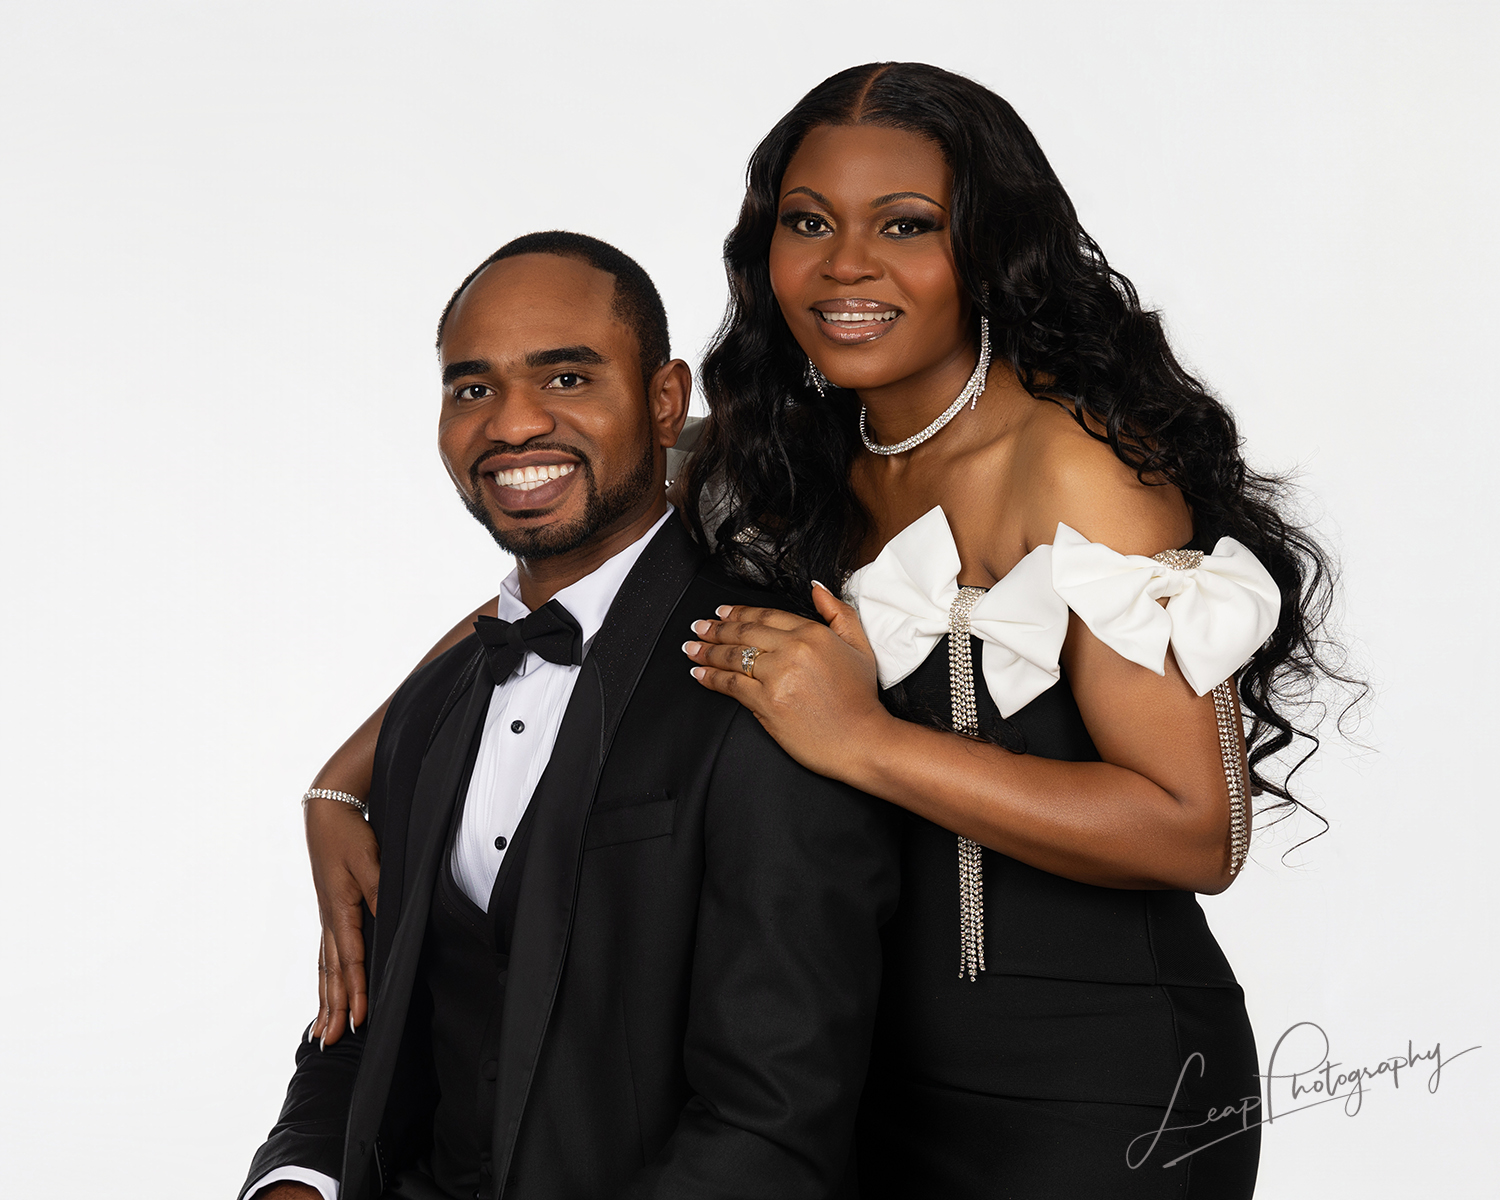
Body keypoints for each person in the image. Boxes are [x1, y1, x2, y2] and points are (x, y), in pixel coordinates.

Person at [302, 65, 1351, 1197]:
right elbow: (547, 608)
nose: (846, 266)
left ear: (987, 248)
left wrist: (865, 741)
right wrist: (343, 786)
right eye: (808, 224)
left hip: (1090, 1090)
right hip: (857, 1083)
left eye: (905, 225)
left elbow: (1200, 832)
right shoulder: (778, 454)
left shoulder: (1076, 468)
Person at [241, 230, 899, 1200]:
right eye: (473, 389)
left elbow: (777, 1118)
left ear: (666, 399)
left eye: (565, 378)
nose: (511, 426)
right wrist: (292, 1183)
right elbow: (365, 1035)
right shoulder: (428, 710)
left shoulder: (773, 678)